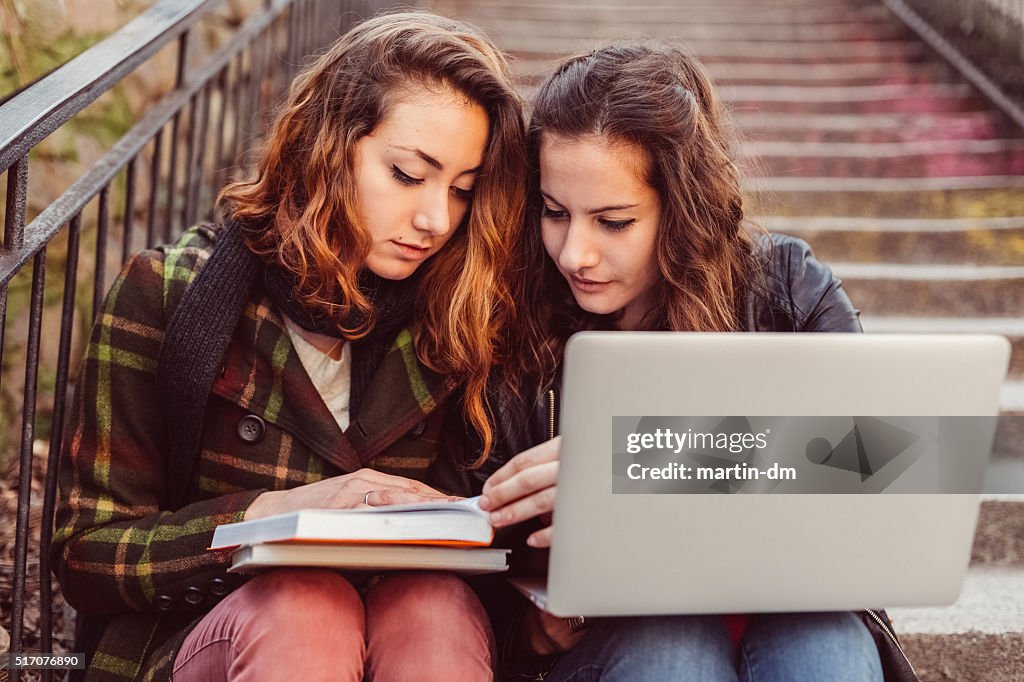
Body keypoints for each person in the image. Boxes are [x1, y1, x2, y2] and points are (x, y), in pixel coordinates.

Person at [51, 11, 528, 682]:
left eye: (462, 190)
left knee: (434, 608)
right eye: (407, 174)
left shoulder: (462, 312)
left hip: (405, 634)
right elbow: (85, 555)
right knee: (309, 607)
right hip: (212, 636)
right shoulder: (168, 293)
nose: (436, 219)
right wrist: (267, 515)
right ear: (328, 145)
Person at [476, 41, 919, 681]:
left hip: (798, 609)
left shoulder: (787, 290)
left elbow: (882, 460)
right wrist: (534, 628)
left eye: (613, 222)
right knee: (673, 646)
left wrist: (636, 460)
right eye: (554, 213)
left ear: (681, 208)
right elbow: (479, 538)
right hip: (617, 645)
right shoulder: (514, 325)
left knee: (825, 645)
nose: (574, 253)